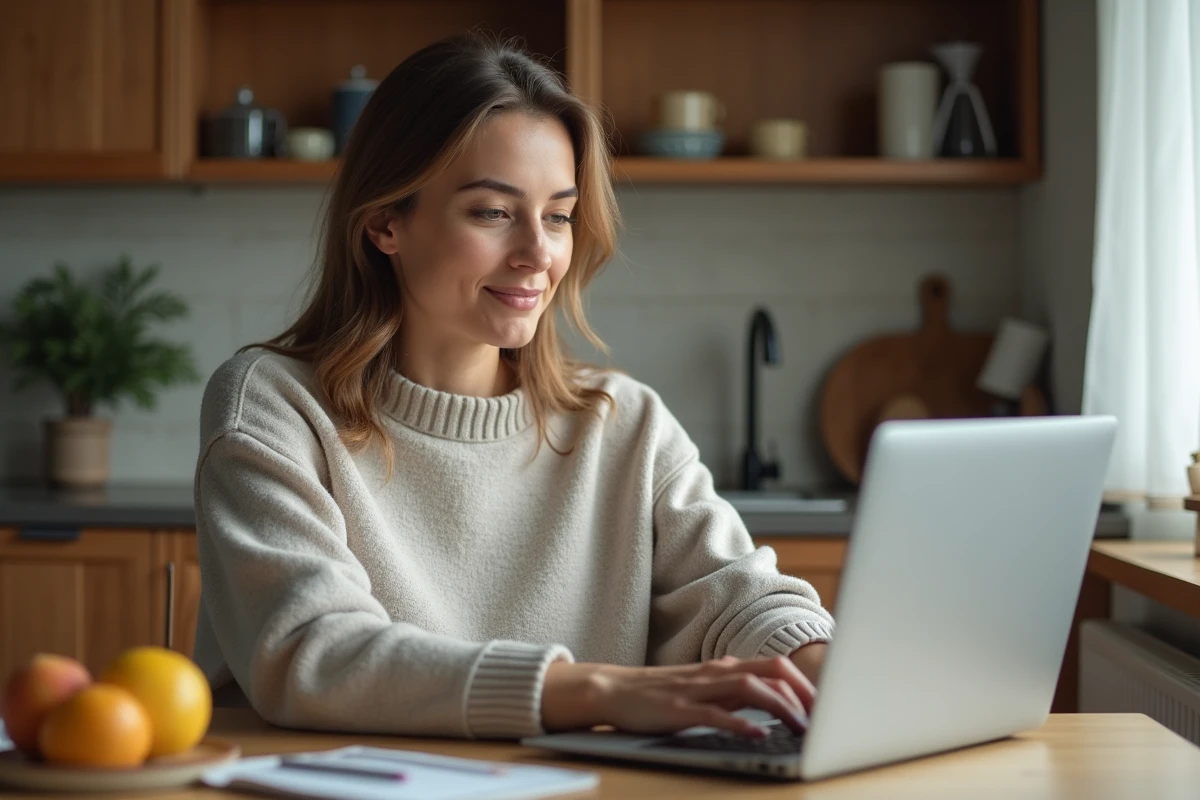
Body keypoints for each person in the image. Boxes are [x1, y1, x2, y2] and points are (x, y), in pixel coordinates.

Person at [193, 34, 835, 741]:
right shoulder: (275, 405)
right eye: (493, 212)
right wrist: (596, 690)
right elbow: (312, 651)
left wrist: (824, 665)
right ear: (384, 223)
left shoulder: (624, 422)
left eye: (558, 215)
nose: (538, 254)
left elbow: (740, 600)